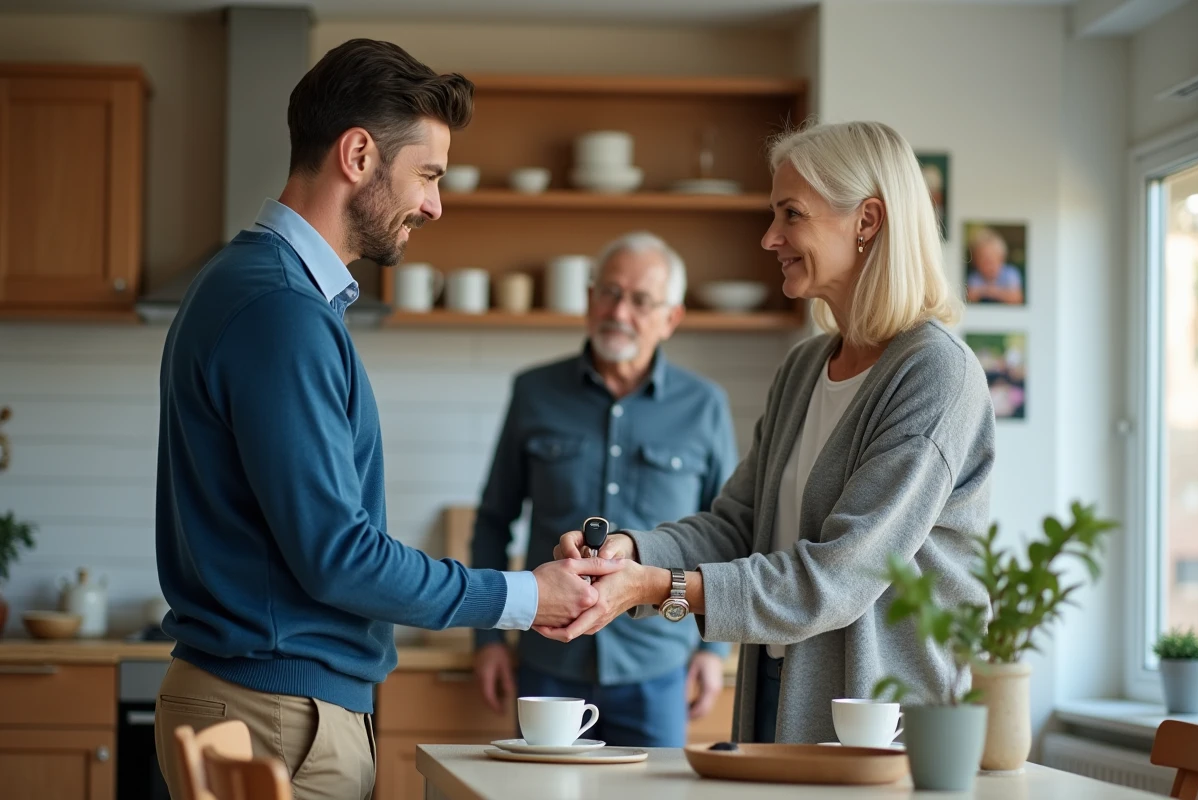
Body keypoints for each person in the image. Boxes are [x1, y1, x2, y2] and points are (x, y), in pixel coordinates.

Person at [152, 39, 620, 800]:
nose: (435, 205)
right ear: (358, 155)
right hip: (279, 713)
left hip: (260, 704)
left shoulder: (255, 288)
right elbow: (339, 556)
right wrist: (526, 597)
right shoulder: (281, 310)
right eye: (428, 175)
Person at [545, 120, 996, 745]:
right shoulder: (805, 367)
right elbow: (738, 524)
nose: (770, 237)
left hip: (877, 716)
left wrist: (659, 587)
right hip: (778, 689)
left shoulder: (934, 373)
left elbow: (840, 575)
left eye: (792, 214)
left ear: (867, 221)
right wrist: (632, 552)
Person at [471, 232, 737, 747]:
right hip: (548, 662)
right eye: (610, 293)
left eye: (641, 300)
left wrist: (714, 650)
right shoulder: (533, 392)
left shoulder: (705, 406)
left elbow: (725, 533)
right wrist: (488, 638)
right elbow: (493, 519)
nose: (619, 312)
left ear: (671, 318)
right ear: (590, 298)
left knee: (654, 788)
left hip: (658, 666)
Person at [965, 227, 1024, 304]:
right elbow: (969, 298)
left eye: (992, 261)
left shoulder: (1010, 273)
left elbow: (1017, 299)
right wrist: (987, 291)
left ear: (1002, 259)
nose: (989, 266)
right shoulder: (975, 276)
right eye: (984, 262)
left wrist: (994, 292)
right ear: (976, 262)